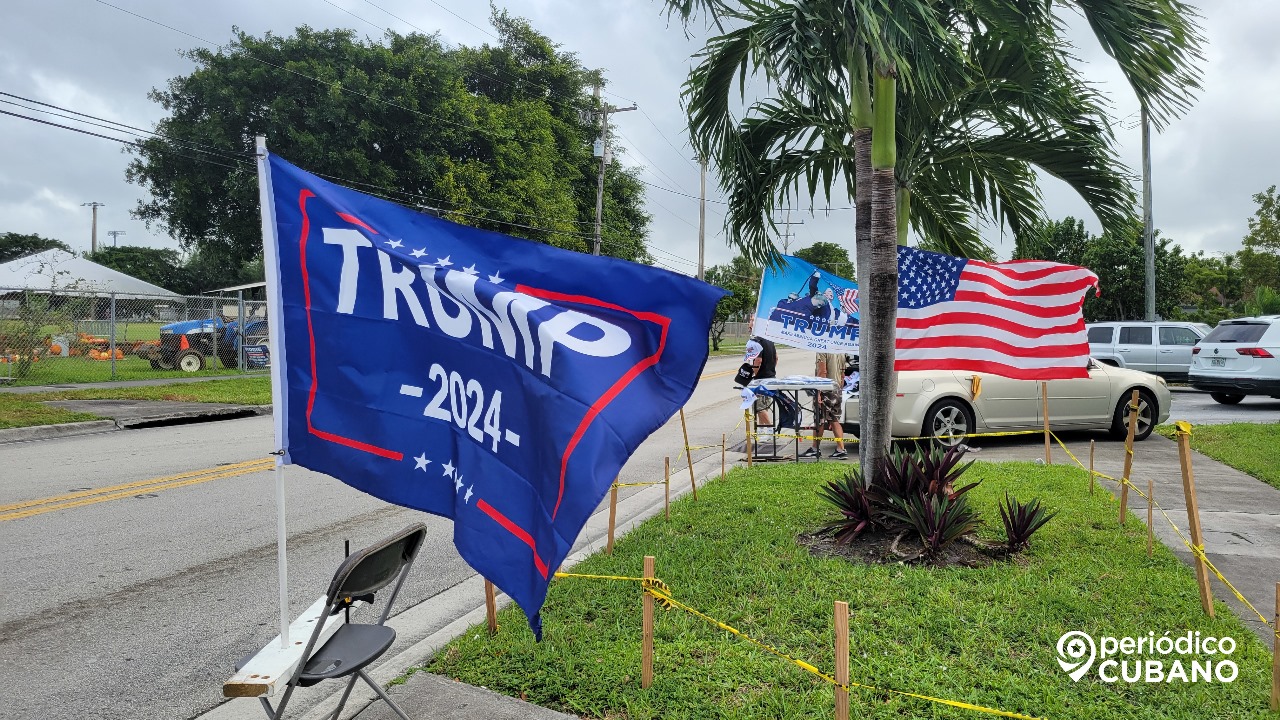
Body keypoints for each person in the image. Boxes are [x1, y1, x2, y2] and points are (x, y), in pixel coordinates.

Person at [800, 352, 848, 460]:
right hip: (836, 389)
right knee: (834, 419)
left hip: (825, 390)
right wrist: (839, 389)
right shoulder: (840, 350)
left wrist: (818, 392)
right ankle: (841, 449)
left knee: (819, 419)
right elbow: (843, 373)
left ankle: (815, 449)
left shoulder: (822, 350)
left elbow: (822, 372)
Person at [742, 320, 777, 440]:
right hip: (771, 377)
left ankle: (771, 431)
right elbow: (776, 358)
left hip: (761, 379)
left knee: (759, 407)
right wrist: (770, 369)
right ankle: (762, 432)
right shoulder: (769, 340)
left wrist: (754, 376)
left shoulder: (756, 341)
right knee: (764, 406)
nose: (749, 324)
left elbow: (758, 360)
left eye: (752, 321)